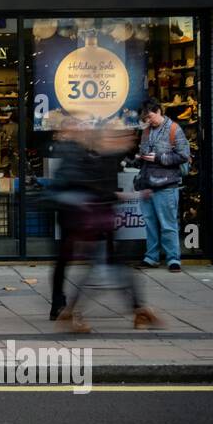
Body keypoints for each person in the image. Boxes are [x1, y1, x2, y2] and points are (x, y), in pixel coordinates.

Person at [41, 121, 160, 332]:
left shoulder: (106, 158)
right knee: (95, 268)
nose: (129, 140)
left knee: (108, 267)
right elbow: (94, 190)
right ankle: (68, 310)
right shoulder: (85, 156)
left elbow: (103, 191)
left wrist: (130, 195)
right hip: (84, 220)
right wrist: (133, 195)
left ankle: (138, 310)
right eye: (124, 136)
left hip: (98, 220)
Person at [135, 97, 191, 272]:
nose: (148, 121)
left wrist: (159, 158)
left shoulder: (174, 129)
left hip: (167, 184)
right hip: (147, 182)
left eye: (150, 117)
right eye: (145, 119)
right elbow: (143, 151)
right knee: (150, 223)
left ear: (159, 111)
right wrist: (140, 157)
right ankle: (151, 257)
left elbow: (183, 156)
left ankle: (173, 259)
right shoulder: (146, 131)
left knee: (168, 224)